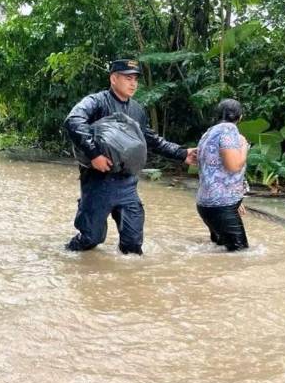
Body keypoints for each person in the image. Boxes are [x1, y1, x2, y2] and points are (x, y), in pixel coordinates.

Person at [64, 59, 196, 255]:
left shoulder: (137, 111)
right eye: (128, 78)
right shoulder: (96, 102)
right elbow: (73, 121)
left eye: (135, 79)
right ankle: (65, 255)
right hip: (98, 181)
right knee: (91, 239)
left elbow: (151, 140)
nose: (133, 83)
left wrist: (182, 153)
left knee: (133, 246)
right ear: (114, 78)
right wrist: (95, 154)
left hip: (127, 183)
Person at [195, 98, 250, 251]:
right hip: (222, 205)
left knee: (220, 251)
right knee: (241, 254)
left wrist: (237, 201)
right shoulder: (228, 130)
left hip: (207, 204)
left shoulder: (209, 133)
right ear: (240, 117)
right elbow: (233, 166)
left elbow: (214, 169)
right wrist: (244, 146)